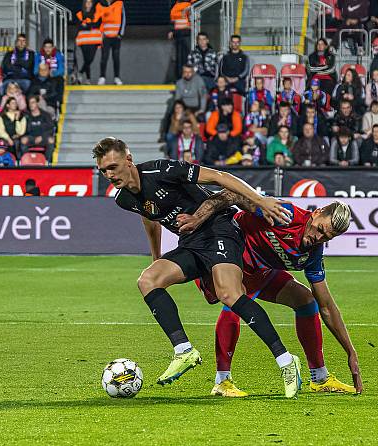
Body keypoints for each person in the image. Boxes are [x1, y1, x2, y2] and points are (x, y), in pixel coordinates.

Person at [92, 137, 302, 397]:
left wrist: (259, 200)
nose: (109, 174)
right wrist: (156, 256)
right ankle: (184, 350)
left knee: (230, 295)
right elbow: (150, 218)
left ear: (129, 160)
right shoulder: (123, 199)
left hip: (219, 229)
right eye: (103, 170)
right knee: (148, 279)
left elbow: (219, 177)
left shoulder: (162, 171)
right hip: (191, 242)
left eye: (113, 167)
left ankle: (286, 360)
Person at [175, 192, 362, 396]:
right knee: (236, 300)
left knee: (306, 301)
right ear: (316, 213)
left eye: (327, 237)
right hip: (226, 256)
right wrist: (198, 218)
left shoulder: (313, 253)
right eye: (320, 230)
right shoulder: (285, 215)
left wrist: (351, 352)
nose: (318, 238)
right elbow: (235, 196)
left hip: (257, 271)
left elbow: (326, 306)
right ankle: (222, 381)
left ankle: (319, 377)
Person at [96, 0, 125, 85]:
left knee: (116, 58)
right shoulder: (100, 5)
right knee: (104, 57)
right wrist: (100, 34)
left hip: (116, 37)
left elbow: (123, 18)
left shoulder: (119, 3)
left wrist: (120, 34)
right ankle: (102, 77)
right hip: (106, 37)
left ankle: (117, 77)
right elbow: (98, 21)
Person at [75, 0, 102, 84]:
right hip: (83, 40)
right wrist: (89, 26)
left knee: (90, 59)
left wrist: (86, 25)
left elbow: (97, 25)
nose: (89, 4)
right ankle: (88, 79)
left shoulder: (96, 13)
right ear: (84, 4)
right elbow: (79, 27)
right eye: (87, 2)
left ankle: (80, 72)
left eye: (90, 2)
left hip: (94, 40)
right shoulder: (79, 14)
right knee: (86, 59)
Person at [20, 95, 55, 161]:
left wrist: (42, 136)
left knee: (51, 140)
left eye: (33, 102)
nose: (31, 105)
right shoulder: (26, 116)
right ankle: (26, 161)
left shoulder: (46, 115)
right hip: (31, 137)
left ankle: (47, 162)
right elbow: (24, 130)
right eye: (29, 103)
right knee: (23, 140)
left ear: (37, 103)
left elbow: (51, 129)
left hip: (43, 137)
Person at [169, 0, 193, 79]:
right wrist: (172, 31)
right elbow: (173, 21)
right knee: (177, 58)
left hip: (187, 34)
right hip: (177, 34)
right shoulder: (175, 5)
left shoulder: (191, 3)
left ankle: (188, 76)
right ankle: (179, 78)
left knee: (186, 57)